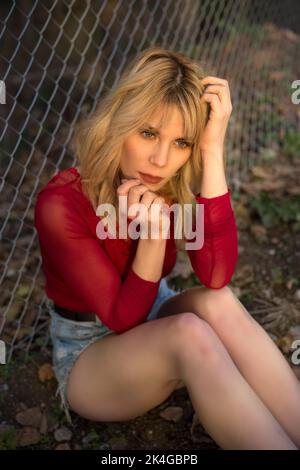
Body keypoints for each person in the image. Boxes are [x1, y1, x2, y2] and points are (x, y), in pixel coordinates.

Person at [34, 46, 300, 450]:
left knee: (220, 302)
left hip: (155, 314)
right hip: (90, 354)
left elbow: (215, 276)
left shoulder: (169, 184)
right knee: (189, 334)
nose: (161, 160)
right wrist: (154, 235)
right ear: (119, 123)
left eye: (182, 143)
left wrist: (211, 150)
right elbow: (122, 318)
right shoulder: (62, 203)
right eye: (148, 133)